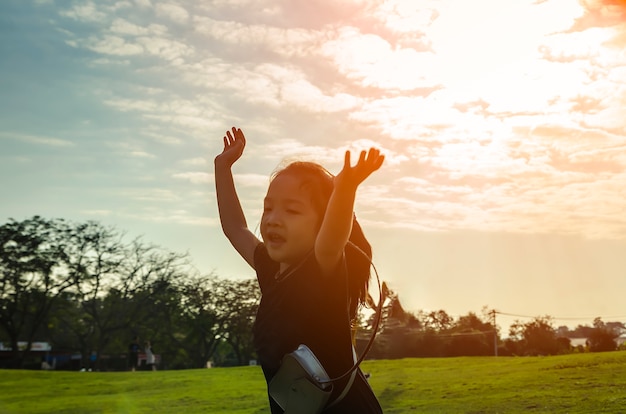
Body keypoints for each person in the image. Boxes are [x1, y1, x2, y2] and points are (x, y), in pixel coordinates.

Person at [215, 126, 384, 413]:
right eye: (268, 208)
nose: (273, 220)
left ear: (322, 223)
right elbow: (235, 228)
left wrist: (345, 190)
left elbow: (331, 242)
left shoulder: (322, 272)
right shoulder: (271, 270)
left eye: (292, 211)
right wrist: (222, 167)